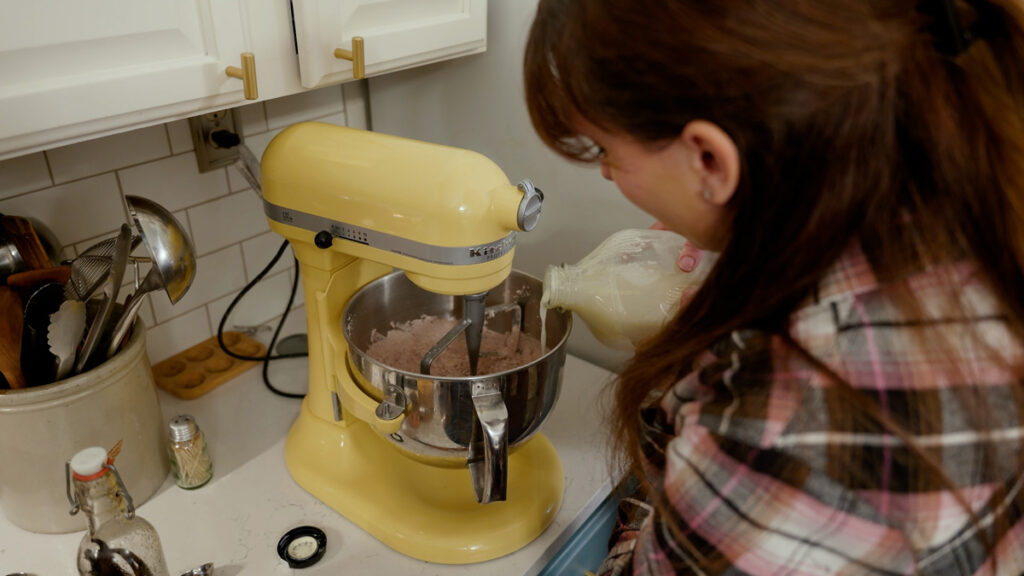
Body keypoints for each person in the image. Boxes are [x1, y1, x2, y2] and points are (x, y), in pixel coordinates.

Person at [523, 0, 1024, 574]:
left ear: (709, 159)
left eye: (605, 150)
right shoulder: (967, 204)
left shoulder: (775, 425)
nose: (606, 173)